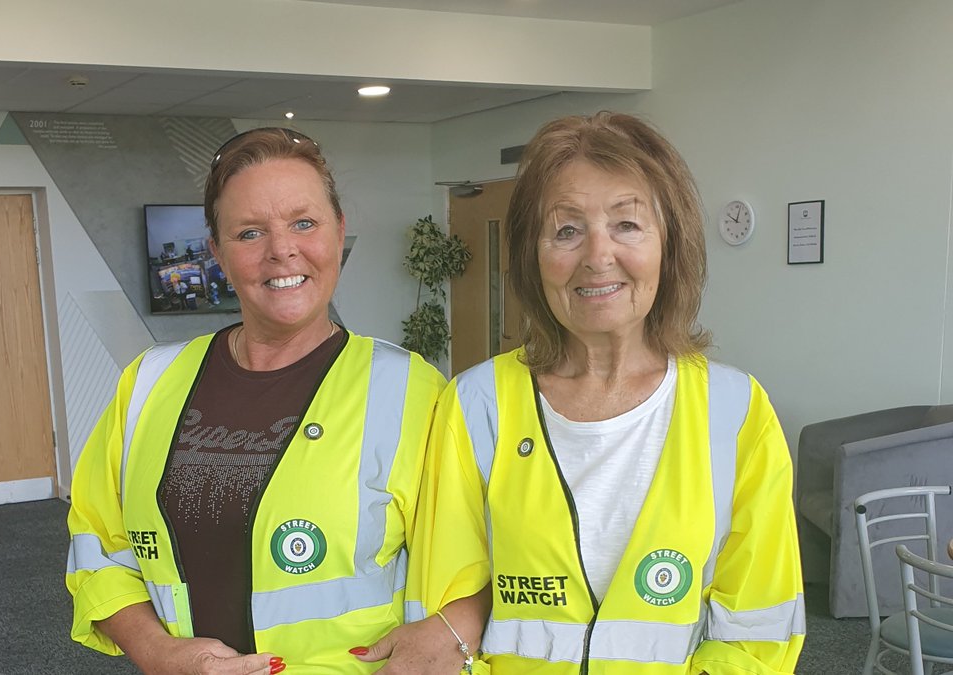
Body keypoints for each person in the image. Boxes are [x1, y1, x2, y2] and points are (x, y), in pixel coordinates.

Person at [66, 127, 488, 674]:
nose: (282, 249)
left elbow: (475, 563)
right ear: (216, 252)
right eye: (249, 232)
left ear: (339, 231)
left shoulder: (412, 391)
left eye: (304, 223)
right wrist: (156, 651)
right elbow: (98, 544)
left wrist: (452, 632)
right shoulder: (148, 383)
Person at [422, 112, 805, 673]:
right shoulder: (475, 405)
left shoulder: (736, 411)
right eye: (567, 230)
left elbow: (758, 634)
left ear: (668, 244)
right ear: (533, 254)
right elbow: (443, 626)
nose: (598, 256)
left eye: (627, 225)